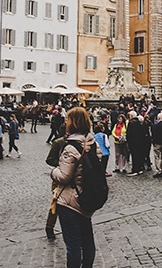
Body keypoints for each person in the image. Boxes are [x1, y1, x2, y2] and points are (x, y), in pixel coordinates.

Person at [51, 107, 99, 267]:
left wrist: (53, 172)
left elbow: (64, 176)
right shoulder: (92, 143)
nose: (65, 122)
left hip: (70, 201)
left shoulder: (72, 147)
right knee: (87, 241)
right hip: (86, 198)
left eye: (67, 120)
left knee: (73, 245)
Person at [126, 111, 144, 176]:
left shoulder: (131, 123)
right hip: (139, 142)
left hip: (133, 142)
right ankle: (139, 168)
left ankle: (135, 169)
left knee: (134, 156)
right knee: (138, 155)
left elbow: (129, 133)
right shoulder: (139, 122)